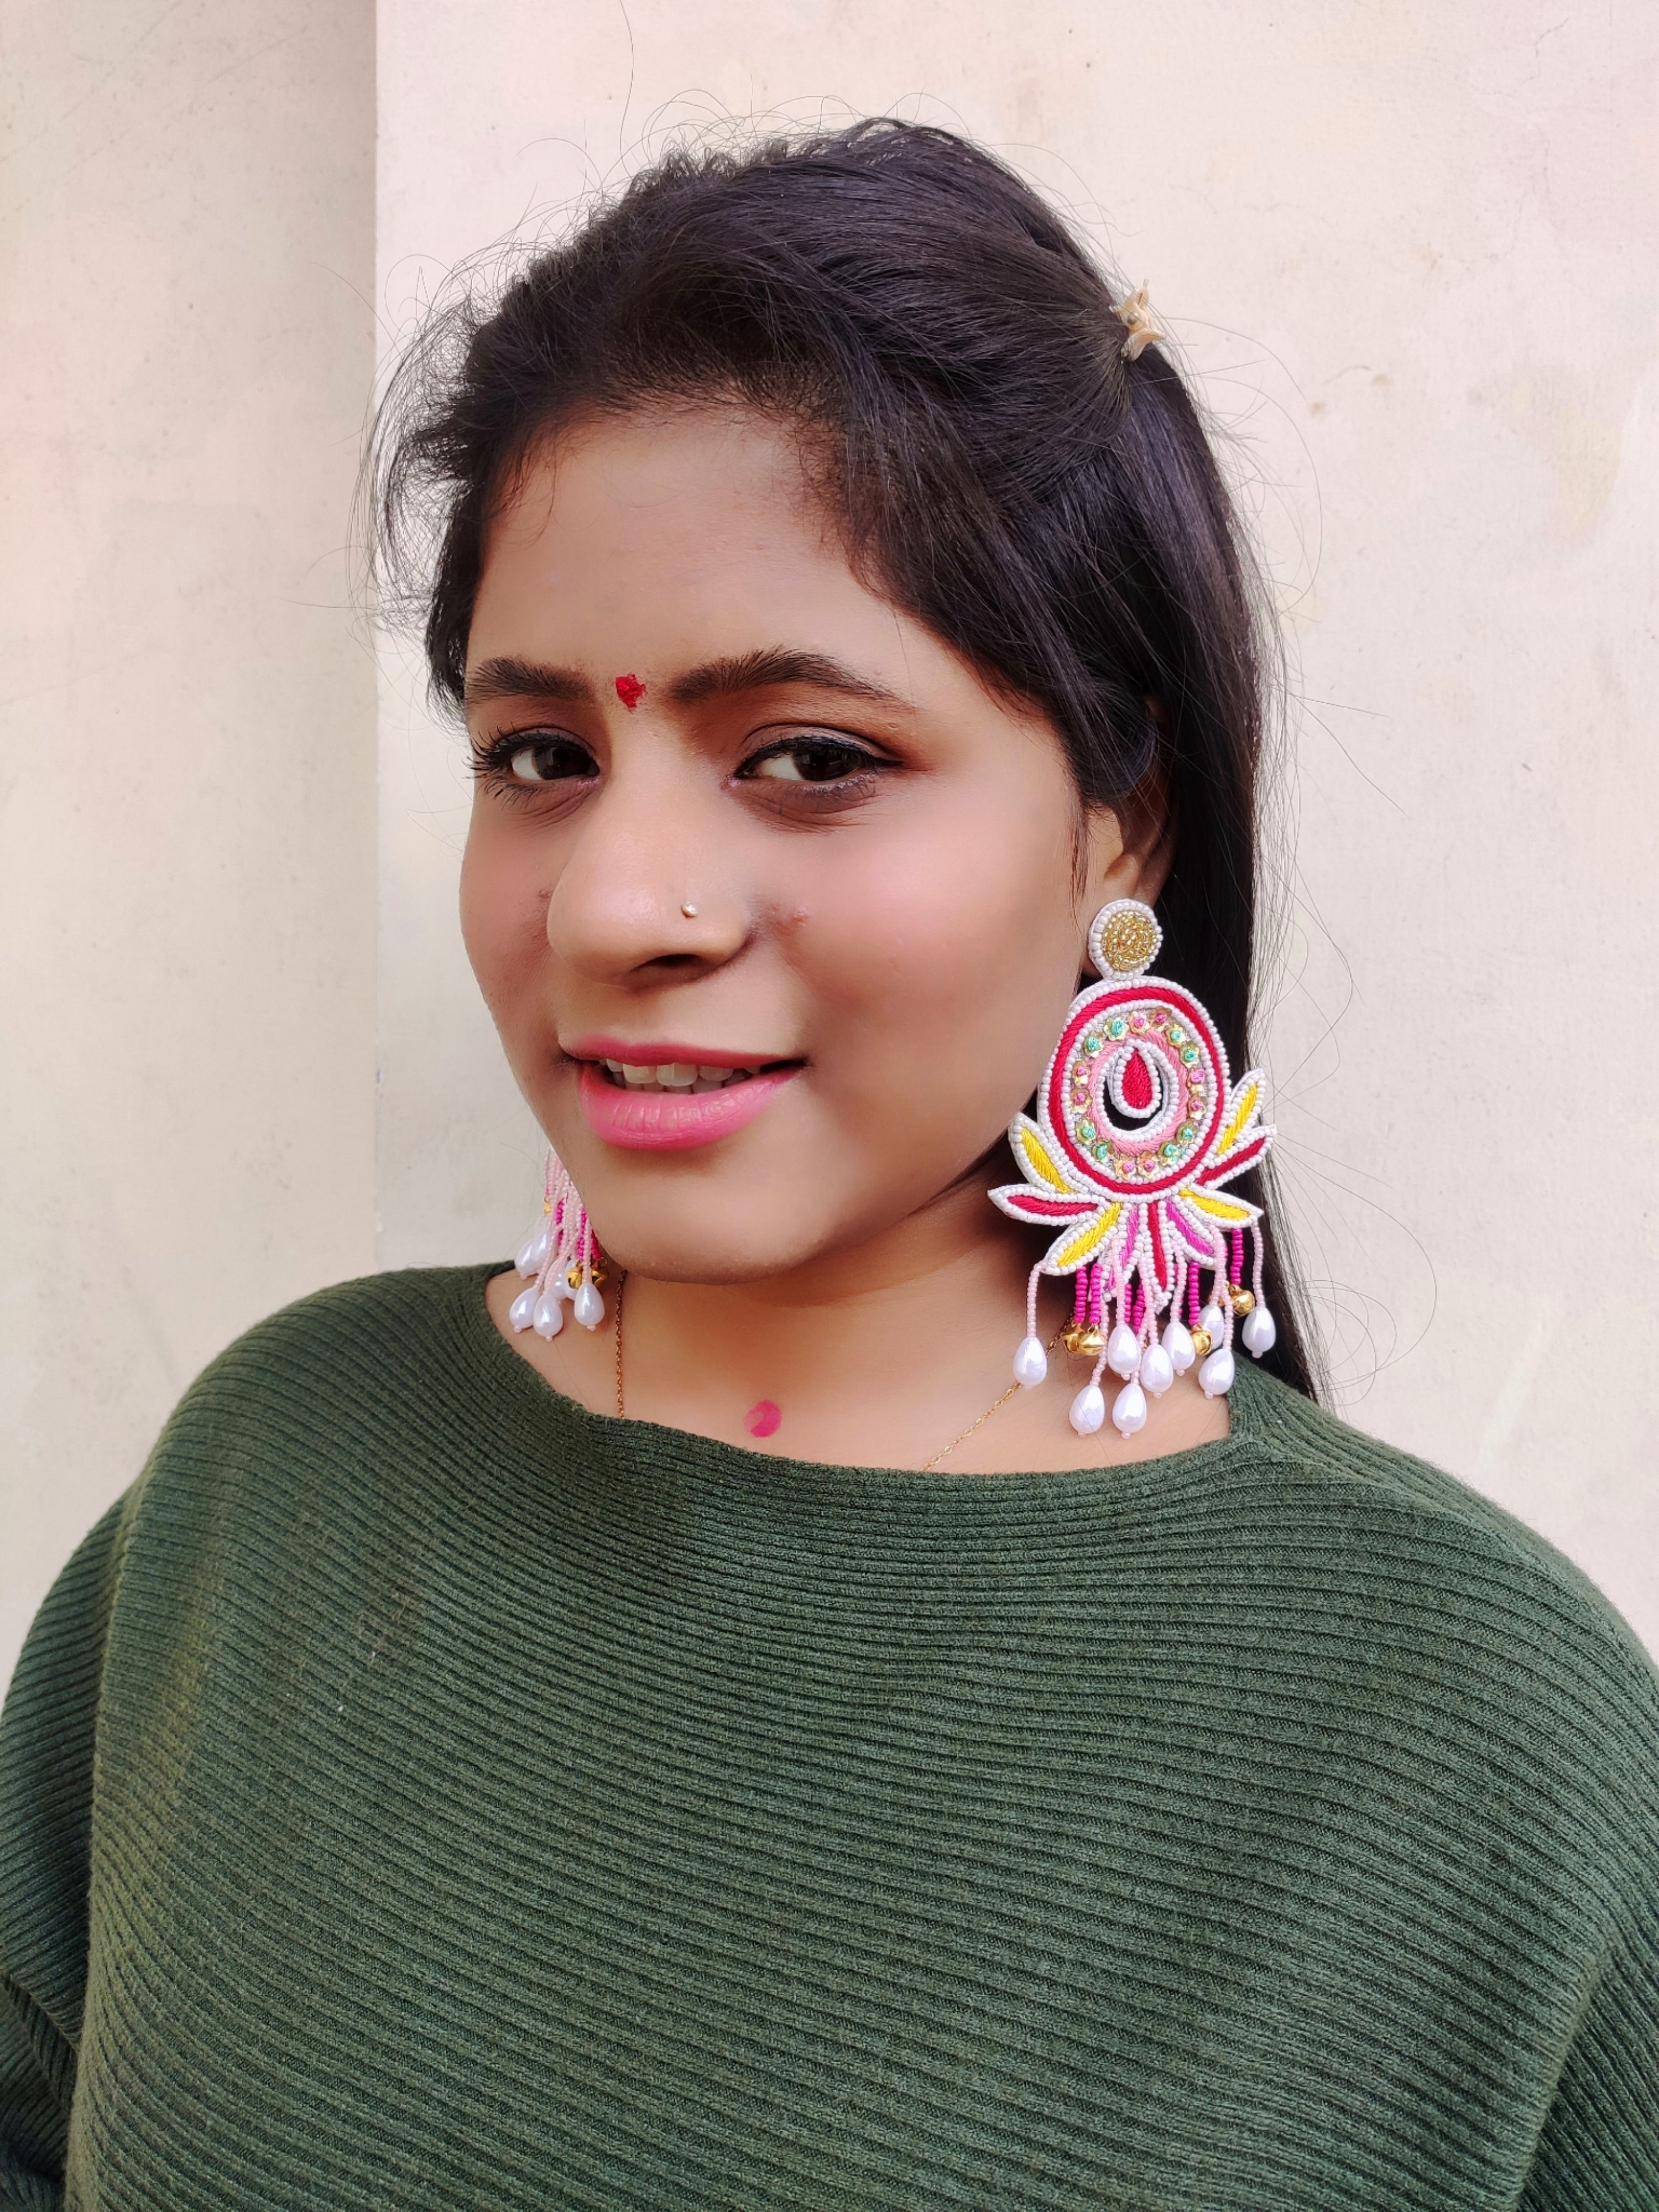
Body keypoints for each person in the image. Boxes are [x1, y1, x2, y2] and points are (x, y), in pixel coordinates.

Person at [1, 120, 1654, 2212]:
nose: (617, 904)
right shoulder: (274, 1481)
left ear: (1125, 819)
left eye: (810, 757)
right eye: (540, 756)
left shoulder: (1474, 1735)